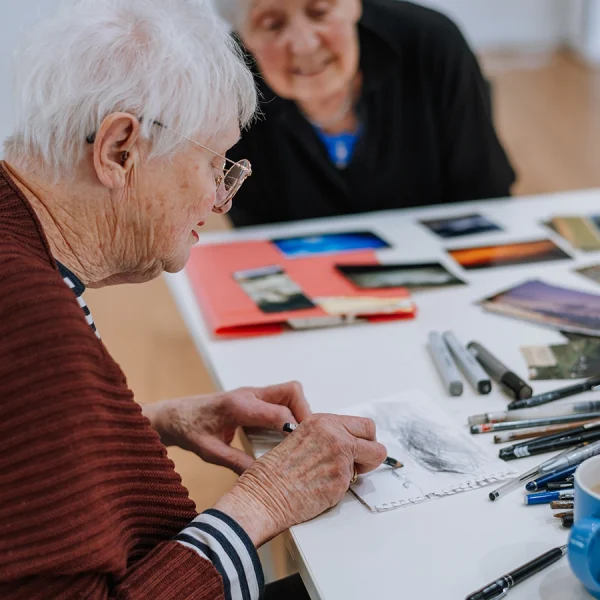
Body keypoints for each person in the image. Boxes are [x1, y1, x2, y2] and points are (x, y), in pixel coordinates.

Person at [0, 1, 388, 598]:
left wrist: (147, 423)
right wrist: (267, 500)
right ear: (119, 150)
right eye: (214, 163)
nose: (220, 199)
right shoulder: (31, 321)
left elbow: (22, 460)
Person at [213, 0, 516, 227]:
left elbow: (486, 195)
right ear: (245, 37)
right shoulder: (230, 85)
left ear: (354, 5)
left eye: (319, 11)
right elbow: (254, 238)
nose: (304, 45)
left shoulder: (433, 43)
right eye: (272, 25)